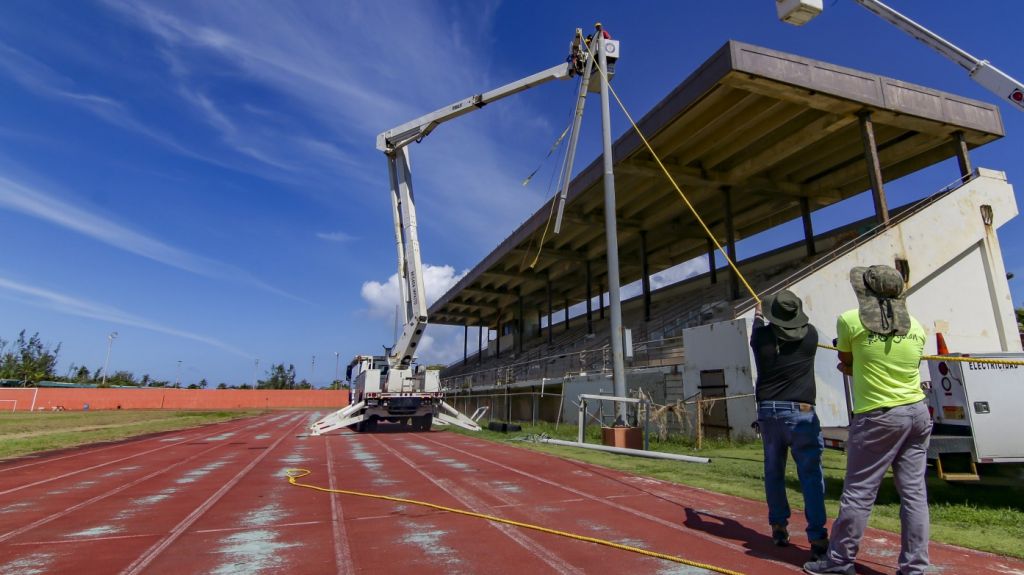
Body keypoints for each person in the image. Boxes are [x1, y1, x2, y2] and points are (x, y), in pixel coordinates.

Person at [804, 265, 931, 575]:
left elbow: (846, 362)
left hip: (878, 416)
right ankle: (914, 568)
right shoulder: (916, 326)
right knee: (914, 493)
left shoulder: (850, 320)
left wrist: (856, 366)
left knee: (859, 492)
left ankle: (839, 562)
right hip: (917, 411)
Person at [751, 289, 828, 560]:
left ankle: (779, 527)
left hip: (769, 412)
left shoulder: (760, 337)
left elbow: (758, 328)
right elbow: (796, 326)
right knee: (811, 475)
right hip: (803, 412)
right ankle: (818, 537)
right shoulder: (811, 336)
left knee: (773, 471)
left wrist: (758, 315)